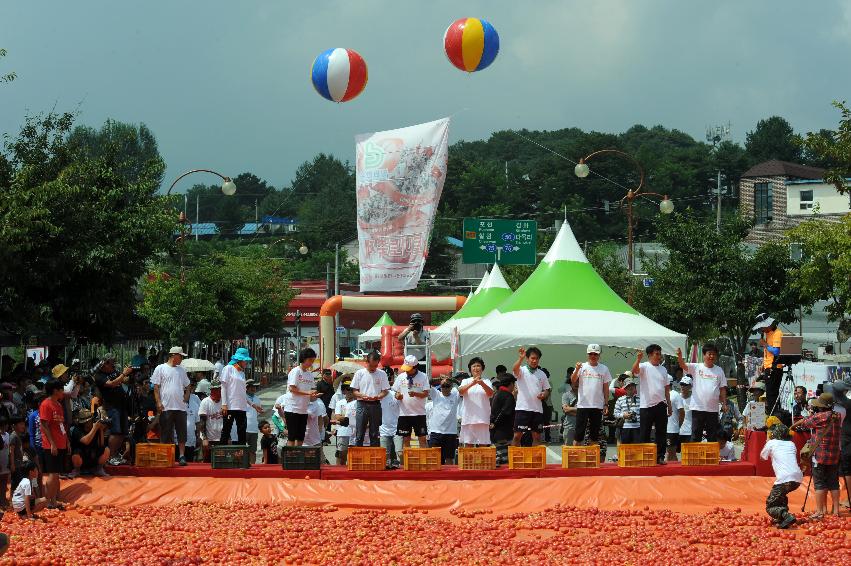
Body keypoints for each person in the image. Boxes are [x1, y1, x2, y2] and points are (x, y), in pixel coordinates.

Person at [792, 392, 842, 519]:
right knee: (833, 482)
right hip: (834, 455)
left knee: (819, 483)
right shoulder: (838, 415)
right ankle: (836, 510)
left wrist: (809, 415)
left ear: (821, 406)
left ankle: (820, 511)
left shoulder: (819, 417)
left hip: (820, 455)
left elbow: (805, 424)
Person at [677, 343, 726, 444]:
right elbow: (683, 365)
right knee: (696, 434)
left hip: (712, 409)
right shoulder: (696, 367)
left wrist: (724, 404)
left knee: (712, 436)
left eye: (714, 354)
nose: (712, 356)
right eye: (709, 354)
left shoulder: (719, 370)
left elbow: (722, 389)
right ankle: (693, 459)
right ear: (704, 355)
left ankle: (711, 459)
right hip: (698, 407)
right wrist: (679, 356)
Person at [633, 344, 673, 464]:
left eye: (660, 353)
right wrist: (638, 359)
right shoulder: (644, 366)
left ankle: (660, 456)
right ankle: (643, 456)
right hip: (646, 405)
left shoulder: (663, 369)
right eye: (656, 353)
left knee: (661, 432)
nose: (659, 356)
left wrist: (669, 405)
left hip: (661, 404)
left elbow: (666, 389)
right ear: (650, 355)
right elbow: (634, 371)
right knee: (645, 432)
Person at [151, 346, 190, 466]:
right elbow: (156, 387)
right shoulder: (160, 368)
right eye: (181, 356)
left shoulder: (182, 370)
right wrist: (158, 402)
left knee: (181, 432)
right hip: (166, 406)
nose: (182, 359)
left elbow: (188, 385)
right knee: (165, 432)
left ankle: (182, 456)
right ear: (174, 355)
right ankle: (164, 455)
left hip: (180, 406)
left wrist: (187, 395)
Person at [759, 422, 802, 529]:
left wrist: (767, 442)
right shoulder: (791, 444)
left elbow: (762, 457)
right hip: (797, 479)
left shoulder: (772, 442)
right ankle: (781, 517)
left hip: (784, 479)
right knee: (781, 495)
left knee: (770, 506)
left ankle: (785, 515)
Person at [93, 353, 132, 466]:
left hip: (122, 405)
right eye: (112, 363)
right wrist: (124, 374)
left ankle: (115, 455)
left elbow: (124, 380)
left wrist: (128, 372)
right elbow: (111, 383)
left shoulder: (114, 371)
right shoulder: (99, 376)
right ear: (105, 364)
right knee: (115, 431)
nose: (114, 366)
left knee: (122, 432)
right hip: (112, 406)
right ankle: (110, 456)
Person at [571, 344, 611, 449]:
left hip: (597, 405)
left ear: (599, 355)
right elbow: (573, 380)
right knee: (578, 435)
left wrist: (606, 404)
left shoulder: (604, 368)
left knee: (594, 435)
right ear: (587, 354)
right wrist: (576, 369)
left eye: (595, 354)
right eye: (591, 354)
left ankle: (592, 460)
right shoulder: (582, 366)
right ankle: (575, 458)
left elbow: (606, 388)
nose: (593, 356)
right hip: (583, 405)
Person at [512, 347, 551, 446]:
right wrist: (520, 358)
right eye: (532, 358)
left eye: (537, 358)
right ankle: (514, 460)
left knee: (537, 437)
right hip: (522, 409)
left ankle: (535, 460)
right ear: (527, 358)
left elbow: (547, 389)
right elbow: (514, 369)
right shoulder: (522, 370)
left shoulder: (542, 374)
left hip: (537, 410)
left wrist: (544, 394)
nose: (534, 361)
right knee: (517, 436)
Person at [351, 351, 390, 447]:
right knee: (360, 431)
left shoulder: (382, 374)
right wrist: (362, 395)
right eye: (371, 366)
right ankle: (358, 456)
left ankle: (375, 457)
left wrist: (379, 396)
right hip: (362, 403)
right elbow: (354, 391)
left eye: (375, 366)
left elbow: (385, 391)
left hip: (375, 404)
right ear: (366, 362)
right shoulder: (359, 373)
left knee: (374, 432)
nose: (373, 368)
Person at [283, 348, 321, 447]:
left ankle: (297, 458)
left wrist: (314, 396)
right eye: (310, 360)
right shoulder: (296, 371)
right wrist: (308, 393)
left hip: (304, 409)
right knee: (292, 436)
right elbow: (292, 389)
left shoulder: (309, 375)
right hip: (292, 408)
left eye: (313, 360)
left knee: (300, 437)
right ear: (303, 359)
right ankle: (289, 459)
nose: (311, 363)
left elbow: (309, 394)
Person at [39, 380, 67, 510]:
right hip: (51, 444)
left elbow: (61, 425)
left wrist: (67, 440)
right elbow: (44, 425)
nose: (63, 392)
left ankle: (53, 501)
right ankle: (47, 501)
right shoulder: (46, 404)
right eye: (61, 389)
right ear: (55, 390)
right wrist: (52, 444)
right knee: (52, 473)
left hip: (61, 443)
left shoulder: (59, 405)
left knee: (56, 474)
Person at [393, 355, 430, 451]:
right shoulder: (401, 377)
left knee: (422, 439)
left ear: (415, 367)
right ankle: (407, 463)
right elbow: (396, 392)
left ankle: (423, 462)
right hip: (404, 413)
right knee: (406, 439)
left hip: (419, 413)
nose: (406, 371)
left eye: (409, 369)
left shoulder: (423, 376)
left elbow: (426, 393)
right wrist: (398, 396)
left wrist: (415, 393)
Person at [753, 313, 784, 416]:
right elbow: (768, 353)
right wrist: (763, 364)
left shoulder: (777, 333)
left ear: (768, 324)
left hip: (774, 368)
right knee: (770, 393)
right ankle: (773, 414)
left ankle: (774, 415)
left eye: (763, 326)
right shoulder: (768, 333)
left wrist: (765, 344)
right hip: (768, 367)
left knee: (772, 394)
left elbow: (776, 351)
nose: (762, 329)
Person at [458, 358, 493, 448]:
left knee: (483, 445)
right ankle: (469, 462)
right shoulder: (465, 381)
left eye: (478, 366)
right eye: (474, 366)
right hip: (468, 418)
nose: (476, 368)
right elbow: (461, 392)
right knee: (468, 445)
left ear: (482, 368)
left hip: (482, 418)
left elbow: (490, 393)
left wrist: (482, 384)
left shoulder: (486, 381)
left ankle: (482, 463)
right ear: (470, 369)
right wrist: (472, 383)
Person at [220, 347, 251, 446]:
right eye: (245, 360)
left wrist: (253, 404)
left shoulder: (242, 373)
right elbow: (223, 387)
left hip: (241, 407)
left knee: (242, 432)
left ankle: (242, 455)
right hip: (230, 406)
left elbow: (242, 392)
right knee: (226, 430)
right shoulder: (228, 368)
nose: (246, 363)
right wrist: (224, 404)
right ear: (240, 360)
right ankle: (221, 454)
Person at [68, 409, 110, 478]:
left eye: (90, 420)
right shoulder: (76, 429)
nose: (89, 422)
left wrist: (101, 430)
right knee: (76, 455)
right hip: (81, 457)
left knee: (106, 450)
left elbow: (101, 444)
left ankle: (98, 469)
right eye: (88, 421)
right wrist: (95, 428)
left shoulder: (95, 428)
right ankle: (77, 470)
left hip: (93, 455)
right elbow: (86, 441)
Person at [429, 378, 461, 464]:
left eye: (448, 386)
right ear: (440, 387)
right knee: (434, 458)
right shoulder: (436, 394)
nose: (445, 388)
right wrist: (439, 379)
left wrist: (452, 379)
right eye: (443, 386)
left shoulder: (456, 395)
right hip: (436, 431)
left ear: (451, 387)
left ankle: (450, 477)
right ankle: (435, 477)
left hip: (450, 432)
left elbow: (461, 386)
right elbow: (428, 382)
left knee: (449, 458)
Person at [490, 374, 516, 464]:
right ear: (511, 384)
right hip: (503, 431)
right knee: (504, 460)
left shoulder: (496, 394)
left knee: (498, 458)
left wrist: (493, 423)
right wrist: (495, 423)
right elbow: (504, 412)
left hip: (495, 431)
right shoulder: (508, 396)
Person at [198, 379, 224, 463]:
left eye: (220, 389)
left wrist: (228, 437)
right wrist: (205, 438)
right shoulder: (205, 402)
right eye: (217, 389)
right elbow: (202, 421)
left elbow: (227, 421)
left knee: (221, 462)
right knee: (207, 462)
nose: (219, 392)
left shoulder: (224, 401)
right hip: (209, 438)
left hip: (222, 438)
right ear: (212, 390)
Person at [335, 384, 358, 466]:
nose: (350, 392)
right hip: (343, 432)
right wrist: (350, 419)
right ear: (344, 391)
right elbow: (337, 417)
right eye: (348, 390)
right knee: (341, 455)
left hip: (355, 433)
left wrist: (345, 419)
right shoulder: (340, 403)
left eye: (352, 390)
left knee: (354, 456)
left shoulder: (358, 403)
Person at [613, 378, 641, 444]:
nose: (631, 388)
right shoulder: (620, 399)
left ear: (635, 388)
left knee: (637, 449)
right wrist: (623, 415)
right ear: (625, 388)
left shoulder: (641, 399)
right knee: (626, 448)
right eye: (628, 386)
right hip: (625, 427)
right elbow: (615, 414)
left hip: (638, 427)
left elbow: (644, 413)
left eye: (632, 386)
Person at [244, 380, 263, 464]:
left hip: (254, 429)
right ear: (247, 388)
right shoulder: (242, 397)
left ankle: (252, 467)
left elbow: (258, 413)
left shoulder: (257, 399)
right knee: (243, 451)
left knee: (252, 451)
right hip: (243, 428)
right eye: (251, 387)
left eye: (255, 387)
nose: (253, 388)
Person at [666, 383, 686, 462]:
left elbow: (682, 412)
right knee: (669, 453)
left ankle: (675, 471)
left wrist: (678, 425)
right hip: (664, 428)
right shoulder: (662, 394)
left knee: (671, 453)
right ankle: (669, 471)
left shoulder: (675, 395)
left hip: (672, 429)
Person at [184, 381, 202, 463]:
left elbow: (198, 422)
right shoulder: (176, 401)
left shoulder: (195, 403)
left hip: (191, 439)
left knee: (190, 462)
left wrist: (198, 436)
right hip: (177, 440)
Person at [561, 370, 579, 446]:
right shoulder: (566, 395)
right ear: (570, 384)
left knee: (581, 449)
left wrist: (570, 409)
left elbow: (586, 410)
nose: (576, 383)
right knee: (568, 448)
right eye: (574, 382)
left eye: (578, 381)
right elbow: (565, 410)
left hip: (581, 426)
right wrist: (580, 411)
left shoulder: (585, 396)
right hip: (569, 425)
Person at [678, 376, 694, 448]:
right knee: (672, 454)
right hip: (676, 431)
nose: (682, 386)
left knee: (689, 456)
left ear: (690, 386)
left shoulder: (694, 400)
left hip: (689, 432)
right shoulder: (676, 398)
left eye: (685, 385)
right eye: (681, 384)